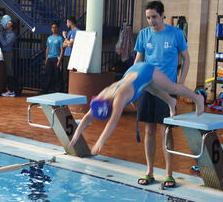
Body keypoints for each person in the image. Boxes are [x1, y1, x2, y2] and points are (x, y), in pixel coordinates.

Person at [70, 62, 204, 158]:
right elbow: (88, 117)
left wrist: (101, 140)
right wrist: (76, 135)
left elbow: (113, 121)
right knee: (151, 88)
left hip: (145, 70)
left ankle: (197, 98)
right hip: (133, 72)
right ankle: (170, 101)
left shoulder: (119, 98)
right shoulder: (102, 96)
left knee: (172, 88)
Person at [133, 0, 190, 188]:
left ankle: (168, 173)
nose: (151, 21)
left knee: (165, 130)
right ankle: (149, 171)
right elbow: (138, 60)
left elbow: (186, 58)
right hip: (148, 87)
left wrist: (180, 85)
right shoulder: (143, 34)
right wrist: (133, 84)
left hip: (167, 89)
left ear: (163, 14)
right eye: (148, 17)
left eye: (154, 17)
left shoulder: (176, 34)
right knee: (149, 129)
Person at [0, 15, 18, 97]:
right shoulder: (5, 32)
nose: (7, 24)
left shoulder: (12, 35)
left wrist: (0, 35)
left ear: (11, 26)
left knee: (9, 71)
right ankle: (5, 89)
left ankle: (12, 90)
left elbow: (5, 44)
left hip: (7, 53)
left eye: (9, 23)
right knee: (4, 72)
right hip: (2, 52)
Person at [42, 23, 64, 93]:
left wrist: (59, 60)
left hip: (56, 58)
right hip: (49, 58)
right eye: (52, 27)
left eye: (55, 27)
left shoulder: (60, 38)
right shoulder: (49, 38)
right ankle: (45, 90)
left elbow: (62, 50)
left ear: (58, 28)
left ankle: (58, 91)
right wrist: (46, 59)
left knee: (57, 75)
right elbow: (47, 49)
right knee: (47, 74)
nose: (53, 29)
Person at [61, 17, 78, 92]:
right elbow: (64, 44)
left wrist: (65, 37)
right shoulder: (69, 32)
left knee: (70, 74)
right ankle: (65, 89)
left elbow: (70, 44)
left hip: (72, 55)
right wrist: (67, 42)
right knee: (64, 73)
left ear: (70, 23)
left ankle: (69, 91)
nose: (66, 24)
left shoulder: (77, 31)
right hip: (66, 54)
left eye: (67, 22)